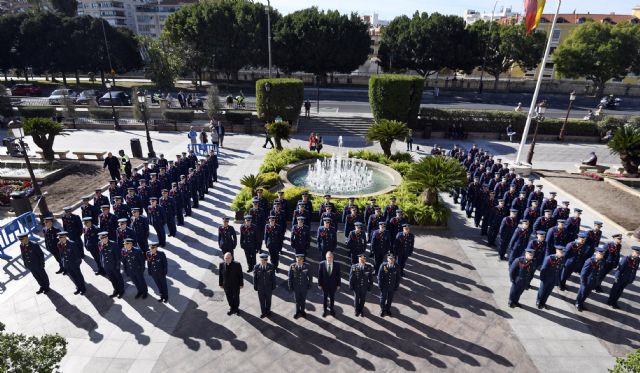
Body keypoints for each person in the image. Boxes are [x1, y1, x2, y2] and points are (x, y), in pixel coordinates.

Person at [575, 246, 607, 312]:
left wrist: (597, 282)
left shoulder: (602, 261)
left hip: (594, 281)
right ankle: (578, 303)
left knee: (586, 294)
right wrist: (583, 283)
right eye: (600, 254)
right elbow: (583, 273)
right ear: (596, 253)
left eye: (603, 254)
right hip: (587, 281)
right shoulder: (589, 261)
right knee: (582, 293)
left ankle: (581, 303)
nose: (602, 256)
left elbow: (600, 272)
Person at [98, 231, 124, 298]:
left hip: (114, 265)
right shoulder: (100, 244)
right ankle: (116, 290)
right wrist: (102, 263)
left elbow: (118, 256)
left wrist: (118, 265)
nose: (104, 239)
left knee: (118, 278)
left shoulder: (113, 244)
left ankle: (121, 291)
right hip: (106, 266)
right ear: (100, 239)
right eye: (102, 238)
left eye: (105, 238)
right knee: (112, 279)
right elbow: (101, 254)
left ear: (107, 237)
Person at [288, 254, 312, 319]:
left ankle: (302, 311)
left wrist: (309, 284)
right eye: (298, 260)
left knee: (303, 300)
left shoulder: (307, 266)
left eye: (300, 260)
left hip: (304, 287)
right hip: (296, 287)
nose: (299, 261)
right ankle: (297, 311)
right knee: (297, 300)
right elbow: (290, 277)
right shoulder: (292, 266)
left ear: (303, 260)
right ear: (296, 259)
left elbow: (310, 276)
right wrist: (290, 286)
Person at [318, 251, 341, 317]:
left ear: (333, 257)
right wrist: (319, 284)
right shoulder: (322, 264)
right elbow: (320, 275)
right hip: (324, 285)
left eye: (331, 257)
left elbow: (338, 275)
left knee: (332, 298)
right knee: (325, 298)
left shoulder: (337, 264)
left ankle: (331, 309)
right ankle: (324, 310)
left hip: (333, 285)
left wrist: (338, 284)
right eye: (328, 257)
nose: (329, 259)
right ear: (326, 257)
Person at [253, 253, 276, 318]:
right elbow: (255, 277)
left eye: (265, 260)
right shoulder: (256, 267)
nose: (264, 262)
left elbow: (273, 277)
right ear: (260, 260)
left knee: (268, 300)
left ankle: (268, 311)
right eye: (262, 260)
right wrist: (255, 286)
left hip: (268, 287)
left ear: (267, 260)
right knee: (262, 301)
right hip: (260, 288)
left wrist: (273, 286)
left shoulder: (271, 266)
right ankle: (263, 312)